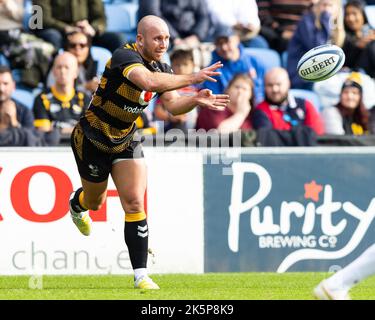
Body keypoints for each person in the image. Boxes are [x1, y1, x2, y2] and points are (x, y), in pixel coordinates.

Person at [68, 15, 229, 290]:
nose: (163, 43)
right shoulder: (123, 57)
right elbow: (150, 83)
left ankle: (140, 275)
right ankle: (77, 203)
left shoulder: (161, 66)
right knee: (96, 202)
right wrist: (194, 76)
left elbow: (173, 107)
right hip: (93, 137)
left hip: (126, 139)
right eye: (157, 38)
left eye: (166, 38)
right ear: (140, 39)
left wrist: (196, 99)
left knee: (134, 203)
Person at [252, 67, 324, 146]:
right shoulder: (260, 110)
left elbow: (317, 135)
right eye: (270, 85)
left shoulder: (306, 105)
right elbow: (268, 139)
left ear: (288, 83)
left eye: (278, 84)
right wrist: (301, 134)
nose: (275, 89)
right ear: (264, 87)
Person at [287, 0, 346, 89]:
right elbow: (317, 49)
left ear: (338, 9)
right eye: (324, 5)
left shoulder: (336, 27)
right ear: (317, 6)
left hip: (322, 73)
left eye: (330, 5)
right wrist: (325, 19)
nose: (326, 9)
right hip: (303, 75)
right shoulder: (307, 21)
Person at [202, 24, 266, 105]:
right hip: (226, 110)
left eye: (227, 41)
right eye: (219, 43)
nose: (224, 47)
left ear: (237, 39)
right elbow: (214, 100)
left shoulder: (254, 62)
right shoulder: (212, 69)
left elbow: (262, 92)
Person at [33, 52, 90, 138]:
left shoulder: (84, 99)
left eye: (67, 67)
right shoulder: (42, 98)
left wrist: (58, 130)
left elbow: (90, 131)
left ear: (76, 72)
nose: (62, 71)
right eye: (59, 67)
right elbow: (43, 132)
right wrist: (75, 130)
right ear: (53, 71)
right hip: (53, 149)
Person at [32, 0, 126, 53]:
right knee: (53, 37)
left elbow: (101, 18)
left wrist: (92, 28)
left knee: (118, 39)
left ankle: (120, 80)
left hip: (85, 31)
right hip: (58, 32)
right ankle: (51, 78)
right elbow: (41, 19)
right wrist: (66, 28)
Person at [0, 0, 55, 88]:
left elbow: (37, 23)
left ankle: (32, 78)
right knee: (37, 50)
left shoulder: (29, 3)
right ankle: (29, 78)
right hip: (6, 38)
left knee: (46, 48)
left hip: (23, 35)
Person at [0, 65, 57, 146]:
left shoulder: (24, 111)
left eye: (5, 84)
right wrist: (3, 125)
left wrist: (14, 123)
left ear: (13, 86)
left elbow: (31, 140)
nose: (1, 89)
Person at [154, 49, 199, 133]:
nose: (181, 68)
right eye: (177, 65)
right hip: (170, 128)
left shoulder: (197, 89)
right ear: (171, 66)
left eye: (185, 64)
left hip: (194, 131)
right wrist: (170, 117)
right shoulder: (167, 88)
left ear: (193, 66)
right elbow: (158, 110)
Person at [342, 0, 375, 78]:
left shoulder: (371, 31)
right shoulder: (344, 37)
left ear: (363, 15)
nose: (350, 18)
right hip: (355, 77)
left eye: (354, 13)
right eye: (347, 14)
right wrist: (357, 47)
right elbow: (344, 64)